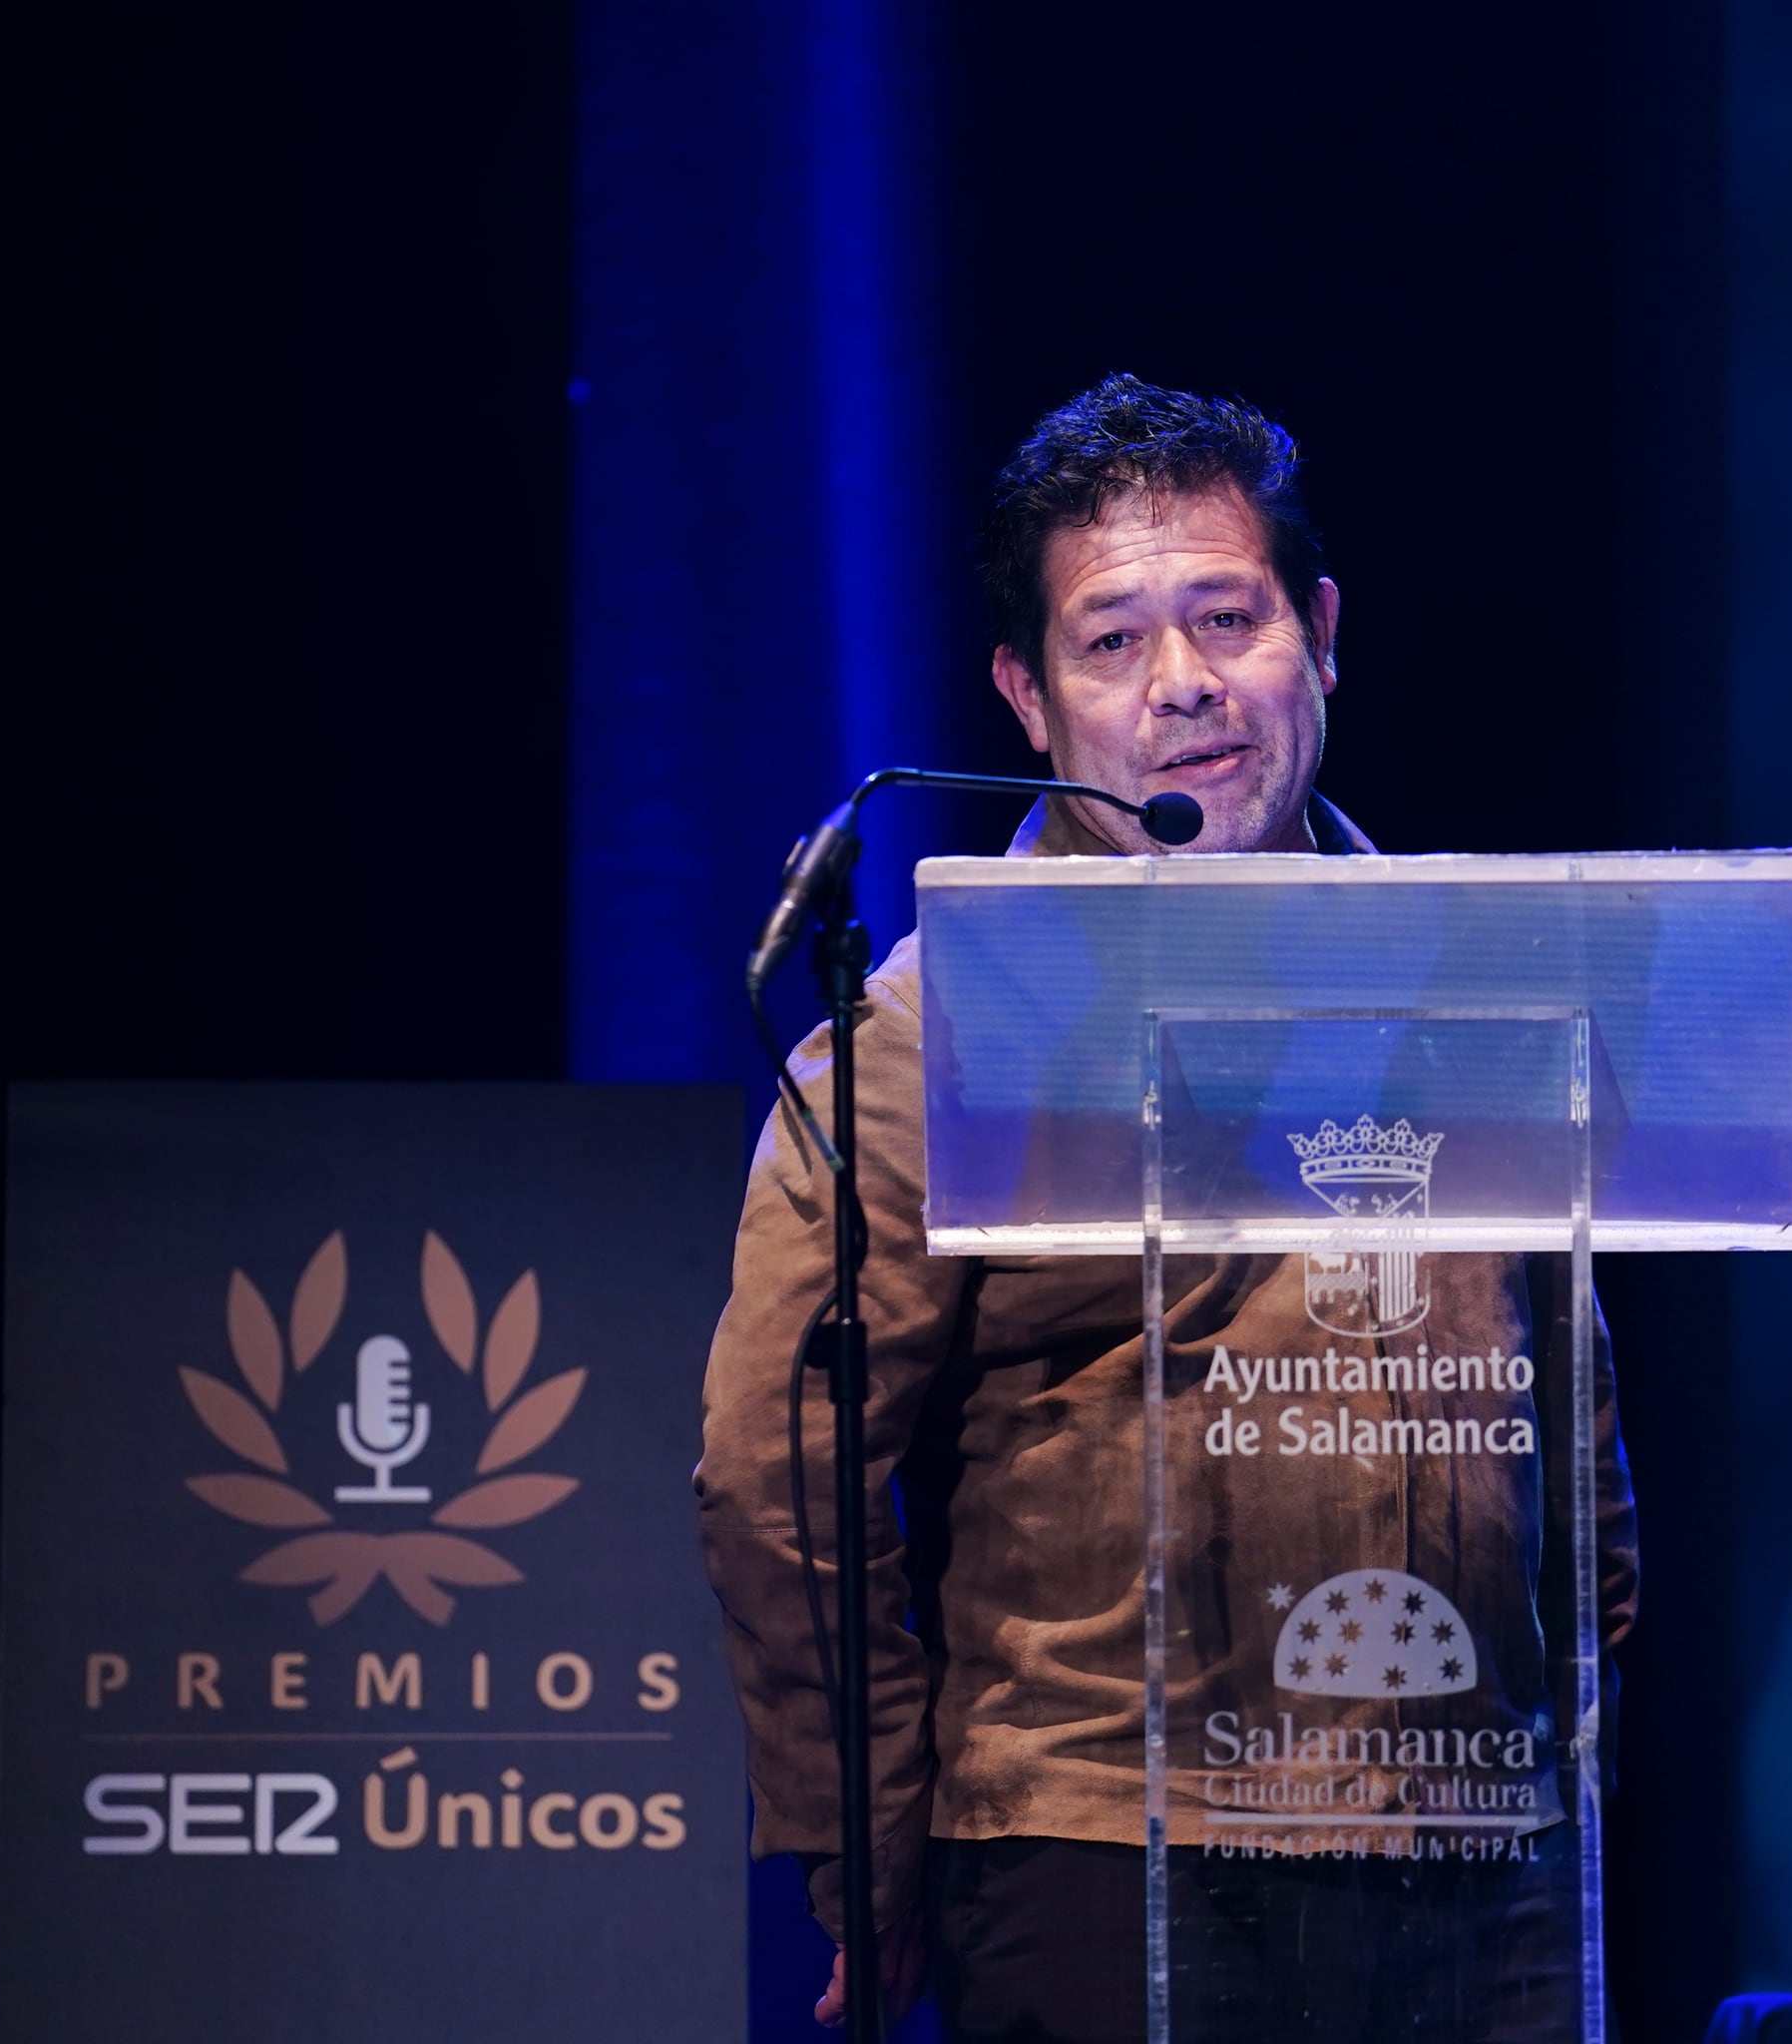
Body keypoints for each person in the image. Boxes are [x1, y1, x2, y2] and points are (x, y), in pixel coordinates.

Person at [695, 374, 1639, 2041]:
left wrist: (1571, 1753)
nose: (1186, 687)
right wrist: (871, 1844)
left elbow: (1568, 1424)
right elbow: (778, 1464)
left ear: (1322, 633)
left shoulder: (1479, 985)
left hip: (1480, 1858)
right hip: (1101, 1845)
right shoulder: (941, 1024)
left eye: (1228, 617)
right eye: (1113, 641)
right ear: (1026, 695)